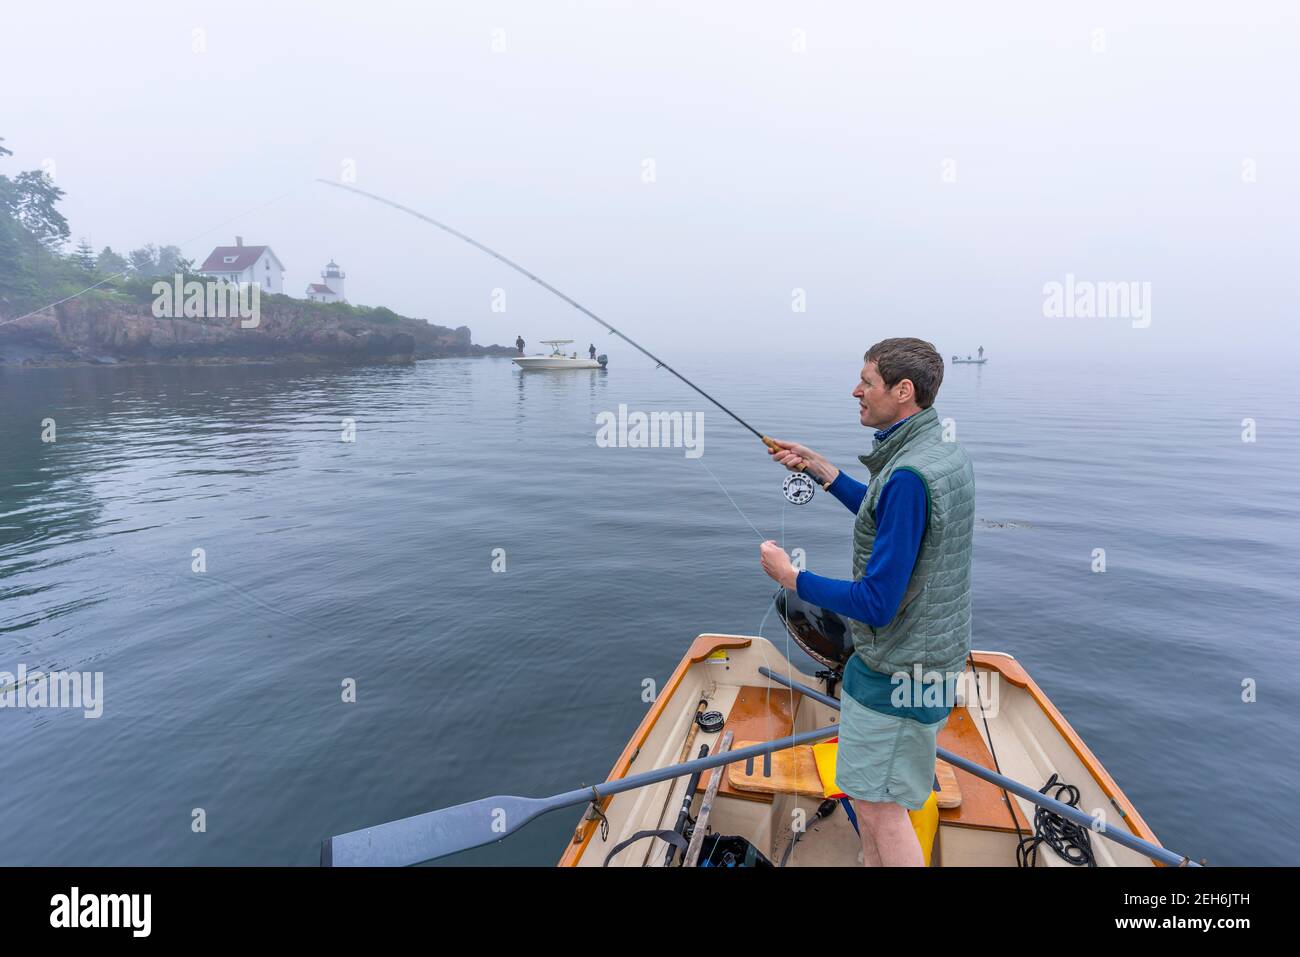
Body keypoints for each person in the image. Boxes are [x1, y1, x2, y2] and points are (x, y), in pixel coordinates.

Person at [759, 337, 974, 867]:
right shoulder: (937, 452)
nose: (856, 391)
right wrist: (824, 471)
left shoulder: (907, 474)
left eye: (867, 382)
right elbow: (888, 514)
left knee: (880, 813)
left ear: (903, 391)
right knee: (879, 802)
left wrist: (794, 578)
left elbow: (877, 603)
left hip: (897, 668)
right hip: (925, 661)